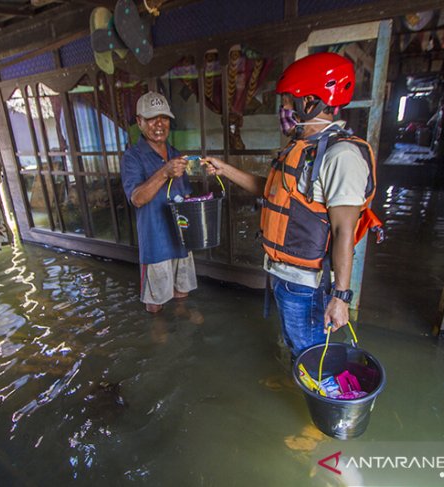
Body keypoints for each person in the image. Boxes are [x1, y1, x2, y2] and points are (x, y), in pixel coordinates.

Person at [204, 53, 379, 358]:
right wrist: (224, 169)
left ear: (311, 102)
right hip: (283, 274)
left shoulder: (342, 156)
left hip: (308, 284)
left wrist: (341, 298)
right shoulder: (302, 149)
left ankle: (317, 399)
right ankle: (296, 382)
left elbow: (343, 230)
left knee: (309, 353)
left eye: (287, 101)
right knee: (293, 343)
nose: (284, 109)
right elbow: (270, 191)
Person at [121, 91, 198, 313]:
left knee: (182, 295)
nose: (159, 124)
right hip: (155, 244)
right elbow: (137, 199)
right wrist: (165, 171)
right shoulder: (132, 157)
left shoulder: (176, 155)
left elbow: (185, 197)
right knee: (155, 306)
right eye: (152, 118)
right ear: (139, 122)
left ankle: (183, 338)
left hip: (181, 241)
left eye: (164, 118)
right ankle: (161, 341)